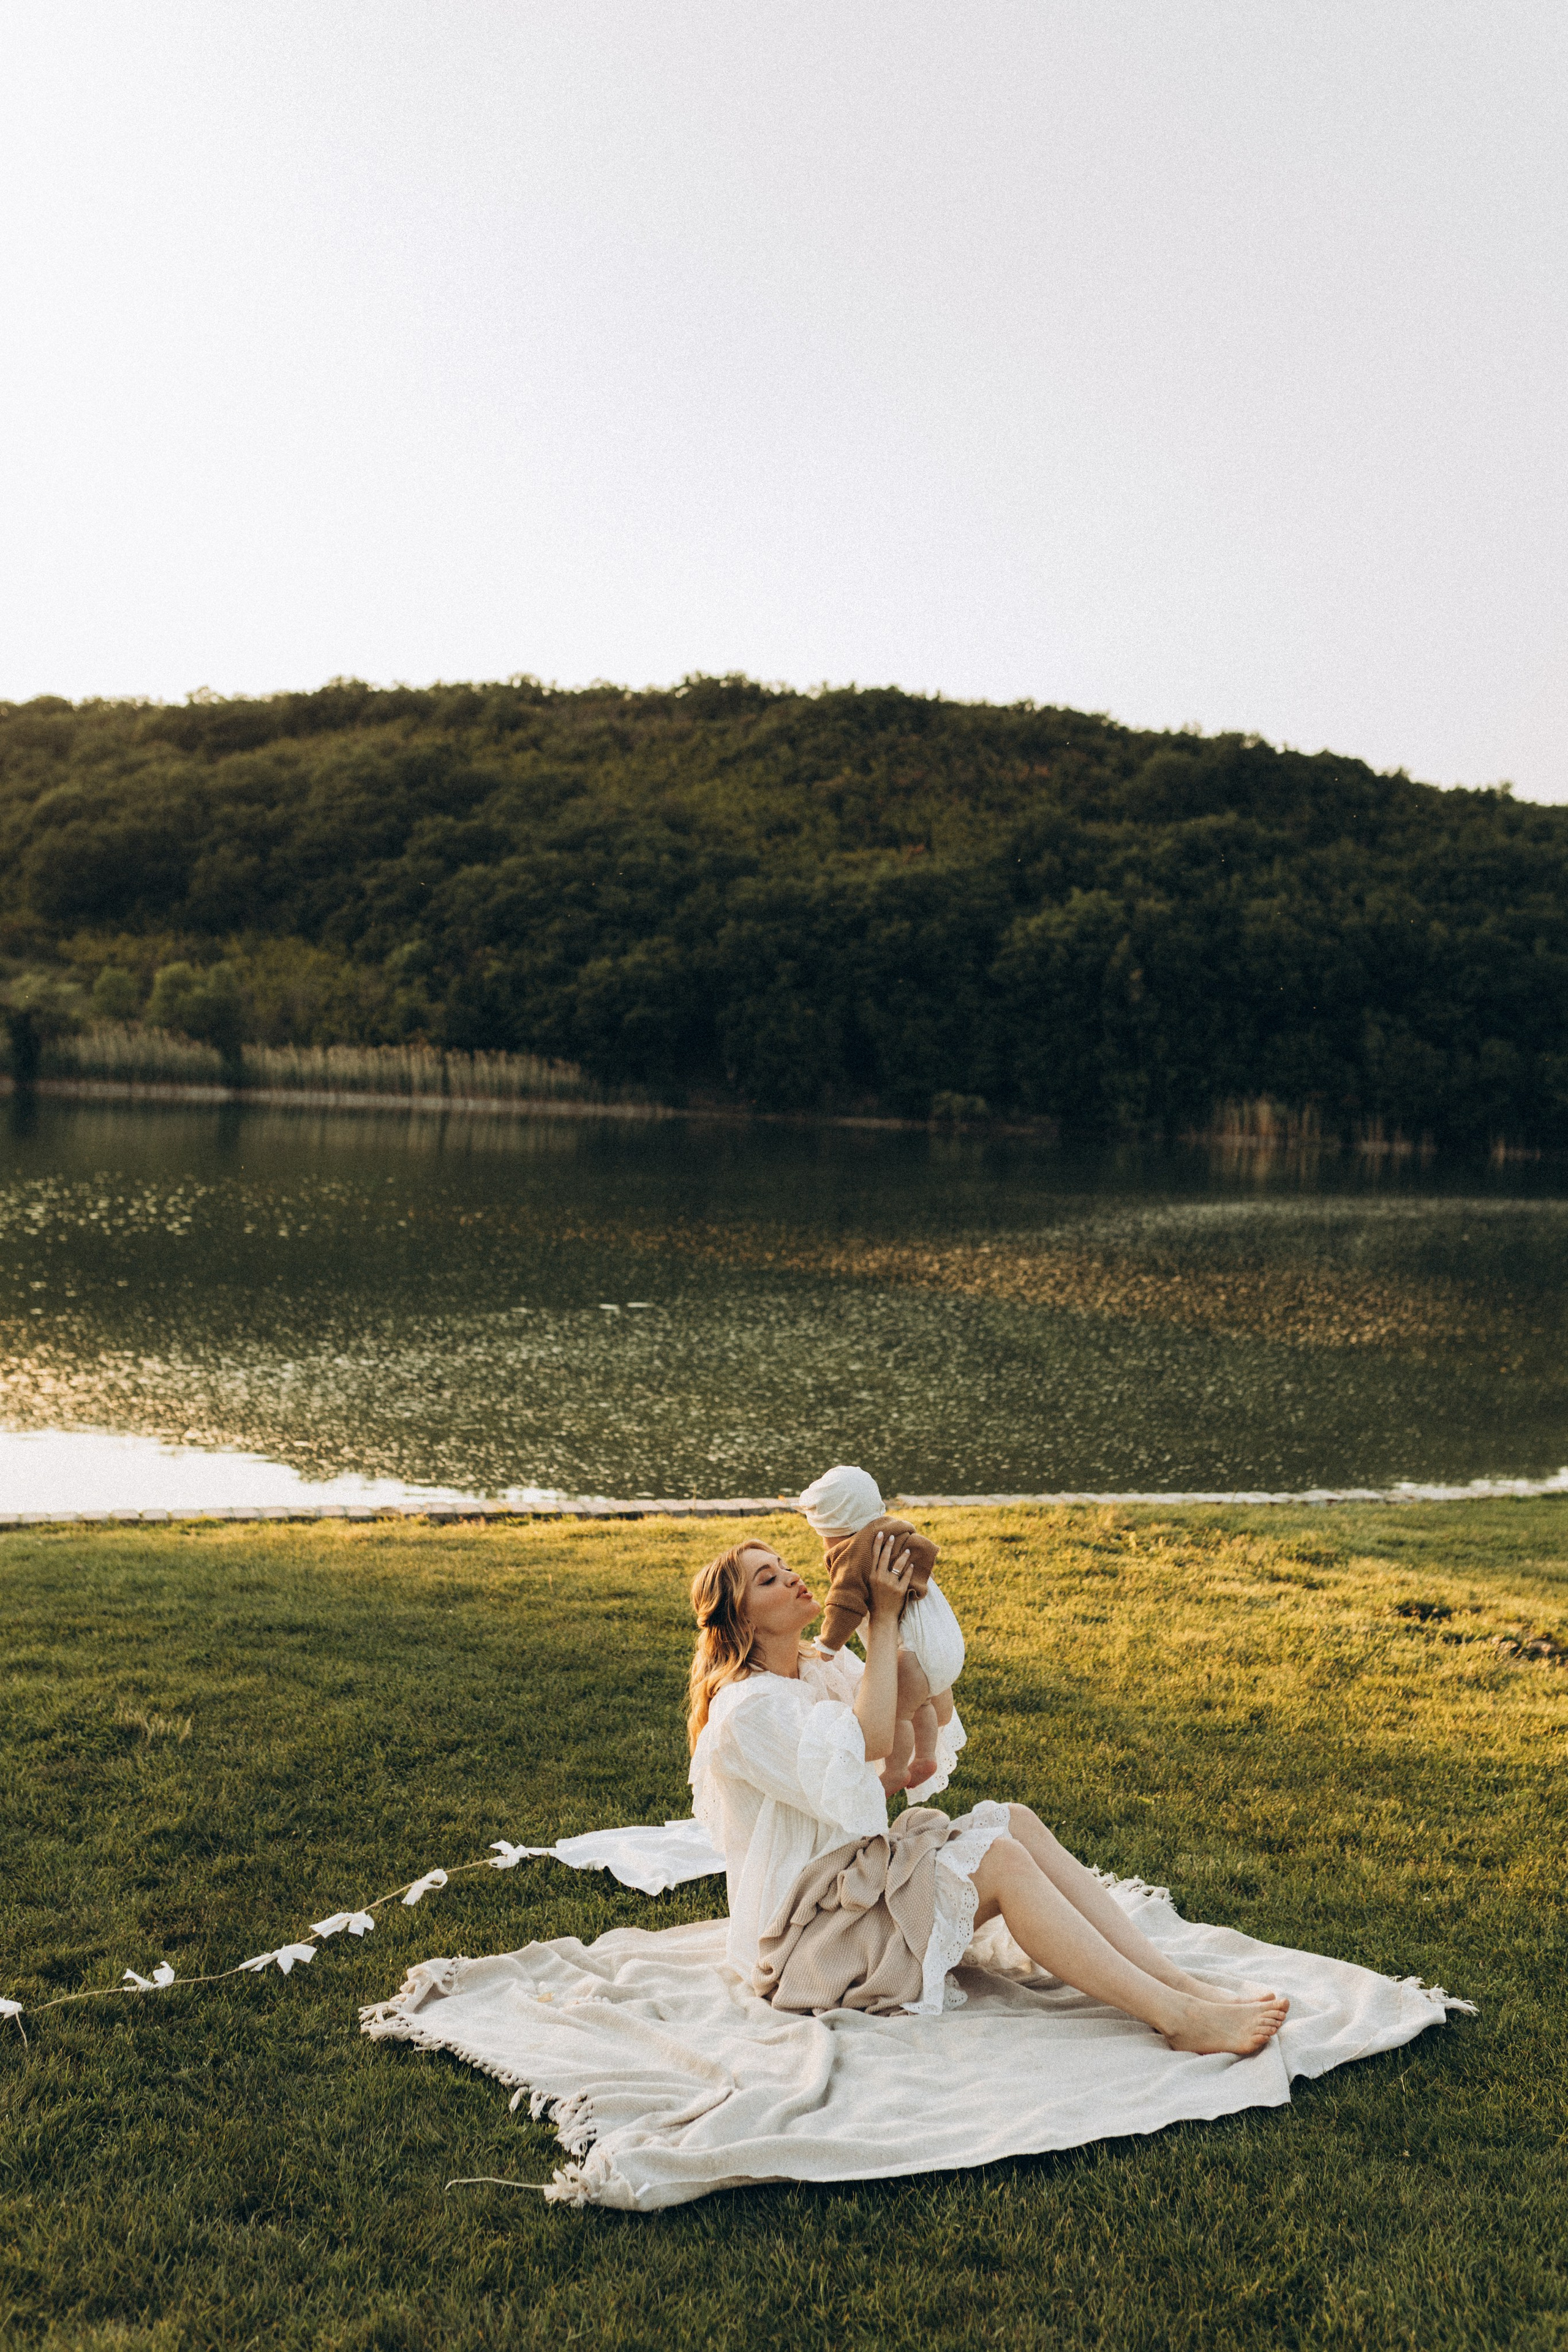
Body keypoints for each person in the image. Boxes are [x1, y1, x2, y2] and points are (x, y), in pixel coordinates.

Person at [688, 1531, 1289, 2050]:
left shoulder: (817, 1668)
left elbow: (914, 1720)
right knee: (999, 1861)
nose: (791, 1578)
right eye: (768, 1579)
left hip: (856, 1883)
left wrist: (899, 1615)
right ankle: (1176, 2018)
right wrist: (885, 1623)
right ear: (739, 1618)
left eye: (786, 1566)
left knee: (1015, 1822)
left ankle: (1176, 1983)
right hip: (805, 1938)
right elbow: (870, 1740)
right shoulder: (749, 1710)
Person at [798, 1463, 963, 1793]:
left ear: (830, 1525)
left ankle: (896, 1770)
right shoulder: (899, 1534)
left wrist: (829, 1646)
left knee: (900, 1714)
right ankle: (927, 1755)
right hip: (945, 1648)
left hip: (914, 1657)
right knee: (923, 1703)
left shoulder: (856, 1554)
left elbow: (844, 1604)